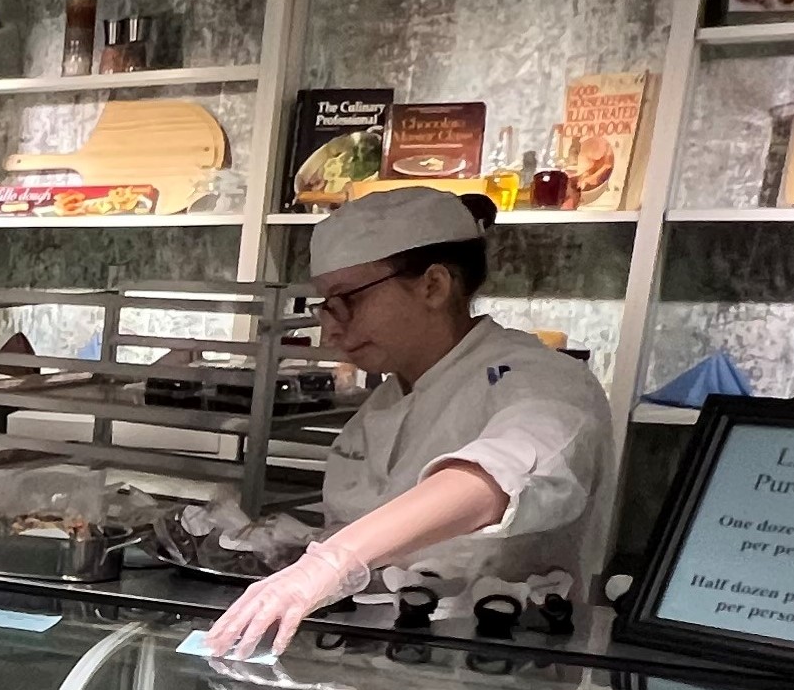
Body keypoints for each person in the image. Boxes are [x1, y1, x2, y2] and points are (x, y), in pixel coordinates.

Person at [208, 187, 612, 657]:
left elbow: (499, 476)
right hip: (368, 673)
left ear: (434, 286)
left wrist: (334, 561)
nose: (331, 329)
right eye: (324, 307)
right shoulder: (382, 403)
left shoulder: (544, 380)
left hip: (489, 683)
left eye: (346, 301)